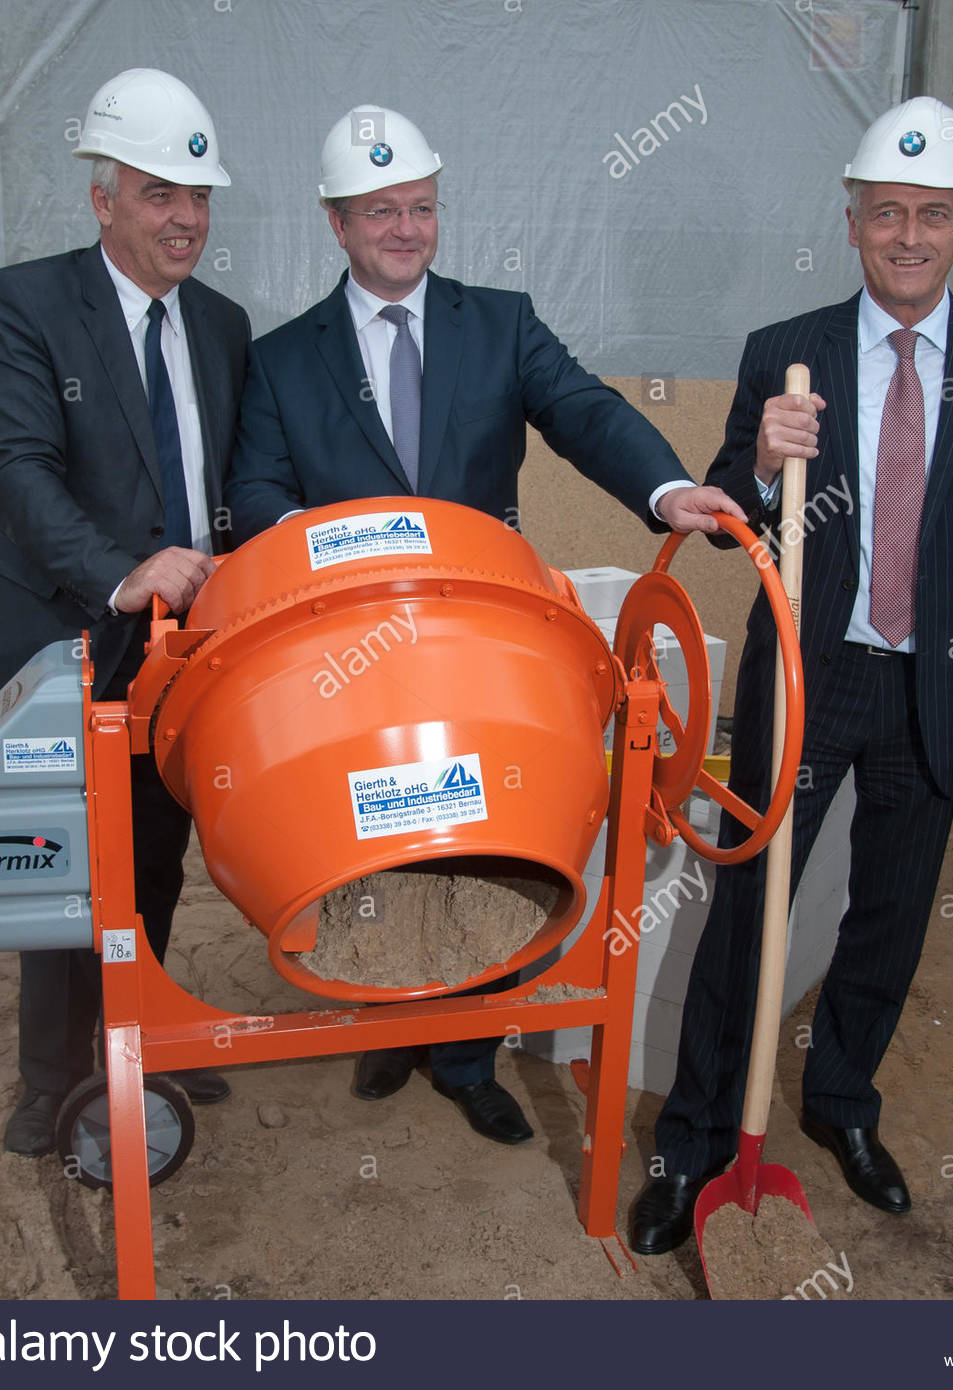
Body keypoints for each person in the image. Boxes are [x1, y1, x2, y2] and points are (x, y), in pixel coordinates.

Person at [226, 104, 742, 1146]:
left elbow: (580, 408)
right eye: (381, 212)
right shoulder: (283, 358)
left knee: (482, 829)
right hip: (351, 656)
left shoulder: (498, 322)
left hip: (479, 649)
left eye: (420, 208)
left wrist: (667, 487)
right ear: (337, 222)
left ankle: (467, 1053)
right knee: (378, 828)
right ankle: (388, 1016)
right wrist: (335, 551)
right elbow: (257, 492)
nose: (405, 229)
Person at [630, 97, 953, 1255]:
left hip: (942, 685)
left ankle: (839, 1104)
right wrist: (755, 454)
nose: (910, 237)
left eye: (933, 215)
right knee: (746, 918)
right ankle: (692, 1141)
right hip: (806, 675)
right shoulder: (789, 353)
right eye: (888, 214)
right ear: (852, 222)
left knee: (888, 913)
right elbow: (730, 519)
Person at [0, 68, 252, 1156]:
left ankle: (144, 1040)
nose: (186, 220)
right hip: (61, 636)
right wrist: (124, 573)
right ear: (103, 200)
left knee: (157, 850)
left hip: (178, 656)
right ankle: (51, 1077)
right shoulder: (25, 303)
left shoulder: (222, 325)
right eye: (160, 195)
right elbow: (22, 473)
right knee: (59, 865)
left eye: (200, 197)